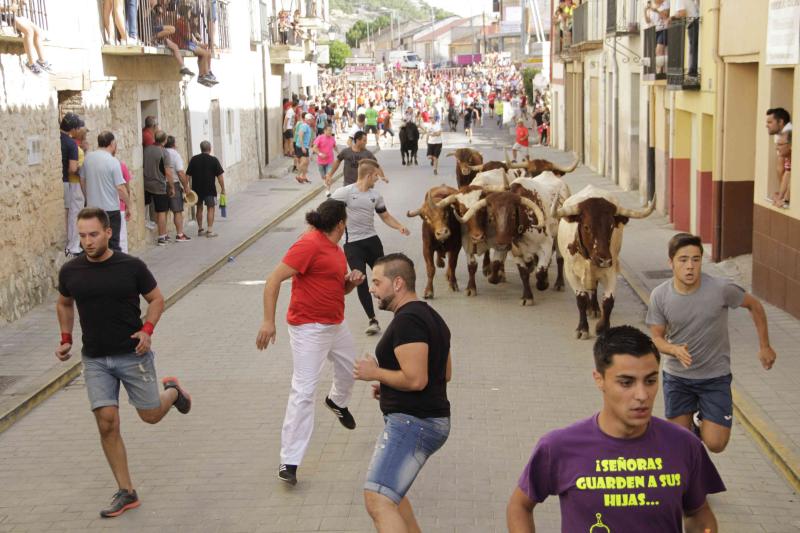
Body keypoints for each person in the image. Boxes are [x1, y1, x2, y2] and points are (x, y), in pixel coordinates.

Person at [507, 325, 725, 533]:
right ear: (599, 379)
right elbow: (520, 506)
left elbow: (698, 513)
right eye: (626, 383)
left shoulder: (684, 444)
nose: (642, 395)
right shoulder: (559, 446)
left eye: (650, 381)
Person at [55, 207, 191, 518]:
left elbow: (157, 298)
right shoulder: (71, 271)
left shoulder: (131, 267)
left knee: (151, 415)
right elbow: (64, 302)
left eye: (93, 234)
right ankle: (126, 490)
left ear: (107, 233)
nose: (87, 241)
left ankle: (172, 392)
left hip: (133, 354)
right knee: (107, 422)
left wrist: (147, 330)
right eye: (82, 235)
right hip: (95, 359)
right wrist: (65, 338)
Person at [255, 199, 365, 486]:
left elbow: (339, 287)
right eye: (346, 221)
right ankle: (289, 460)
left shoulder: (336, 249)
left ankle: (336, 401)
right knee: (303, 391)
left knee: (350, 369)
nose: (347, 226)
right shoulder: (309, 244)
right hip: (309, 329)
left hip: (335, 324)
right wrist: (268, 321)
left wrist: (351, 281)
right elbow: (273, 279)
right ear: (340, 223)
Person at [646, 233, 776, 453]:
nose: (690, 266)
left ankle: (700, 424)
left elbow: (755, 306)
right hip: (678, 378)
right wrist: (673, 349)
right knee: (680, 443)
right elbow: (656, 338)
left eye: (696, 260)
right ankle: (689, 483)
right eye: (683, 260)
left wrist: (764, 346)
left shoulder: (720, 288)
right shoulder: (660, 295)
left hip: (714, 378)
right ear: (671, 262)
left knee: (716, 444)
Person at [353, 253, 452, 532]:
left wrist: (375, 373)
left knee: (377, 499)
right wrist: (387, 386)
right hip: (424, 419)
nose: (371, 289)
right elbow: (443, 374)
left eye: (376, 282)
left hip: (414, 423)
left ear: (397, 283)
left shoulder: (408, 321)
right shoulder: (432, 316)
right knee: (393, 496)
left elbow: (417, 379)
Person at [331, 160, 410, 335]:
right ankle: (372, 320)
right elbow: (327, 210)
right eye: (376, 175)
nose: (378, 178)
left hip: (372, 242)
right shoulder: (344, 193)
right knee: (360, 280)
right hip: (353, 245)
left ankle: (399, 313)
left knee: (385, 277)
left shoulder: (376, 195)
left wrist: (399, 226)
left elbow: (385, 216)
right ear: (369, 175)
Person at [80, 131, 132, 252]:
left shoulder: (88, 158)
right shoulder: (113, 161)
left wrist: (87, 197)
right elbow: (120, 188)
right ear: (112, 144)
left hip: (93, 209)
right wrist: (129, 205)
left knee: (95, 242)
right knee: (113, 243)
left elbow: (82, 181)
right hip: (111, 210)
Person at [1, 0, 53, 74]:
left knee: (37, 31)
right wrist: (10, 8)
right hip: (3, 15)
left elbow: (17, 4)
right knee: (28, 31)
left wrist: (19, 2)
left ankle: (42, 61)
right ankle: (31, 63)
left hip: (11, 13)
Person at [186, 140, 225, 238]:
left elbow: (187, 175)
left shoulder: (194, 159)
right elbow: (220, 176)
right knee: (210, 208)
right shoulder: (214, 160)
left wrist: (186, 187)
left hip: (196, 189)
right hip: (210, 189)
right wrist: (223, 188)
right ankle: (210, 231)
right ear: (210, 149)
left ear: (201, 149)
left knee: (199, 208)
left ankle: (200, 229)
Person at [143, 131, 175, 246]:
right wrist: (171, 187)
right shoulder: (164, 152)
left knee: (149, 208)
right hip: (159, 184)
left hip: (146, 184)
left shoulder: (146, 149)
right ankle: (162, 236)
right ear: (165, 140)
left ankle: (162, 233)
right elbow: (168, 172)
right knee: (161, 211)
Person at [175, 4, 218, 86]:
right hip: (185, 44)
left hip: (189, 43)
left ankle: (207, 72)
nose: (190, 14)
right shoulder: (181, 22)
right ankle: (203, 75)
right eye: (189, 12)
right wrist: (198, 42)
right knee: (204, 53)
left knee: (207, 52)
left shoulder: (185, 22)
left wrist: (200, 44)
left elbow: (191, 37)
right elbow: (188, 37)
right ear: (185, 12)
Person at [149, 0, 194, 77]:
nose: (160, 14)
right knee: (172, 29)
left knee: (175, 47)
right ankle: (152, 38)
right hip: (152, 31)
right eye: (159, 13)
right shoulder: (151, 12)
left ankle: (183, 67)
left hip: (160, 36)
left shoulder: (161, 16)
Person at [61, 113, 84, 257]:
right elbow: (73, 168)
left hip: (61, 180)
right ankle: (73, 246)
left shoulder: (56, 138)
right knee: (74, 214)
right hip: (70, 182)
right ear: (73, 129)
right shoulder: (71, 144)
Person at [164, 136, 191, 241]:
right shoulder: (175, 155)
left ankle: (163, 235)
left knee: (163, 211)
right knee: (177, 210)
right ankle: (180, 234)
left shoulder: (161, 152)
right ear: (174, 144)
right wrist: (186, 186)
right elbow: (180, 172)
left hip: (161, 184)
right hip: (174, 183)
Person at [312, 124, 337, 196]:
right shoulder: (319, 138)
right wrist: (320, 154)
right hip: (321, 161)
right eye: (329, 130)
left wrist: (339, 153)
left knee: (328, 176)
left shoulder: (332, 138)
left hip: (330, 161)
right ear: (324, 131)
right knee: (323, 177)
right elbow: (314, 148)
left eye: (331, 130)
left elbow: (334, 146)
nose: (330, 132)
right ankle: (325, 181)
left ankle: (328, 191)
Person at [773, 130, 792, 208]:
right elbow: (787, 174)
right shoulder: (788, 156)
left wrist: (786, 200)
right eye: (777, 144)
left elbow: (794, 179)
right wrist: (780, 198)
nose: (776, 148)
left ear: (791, 145)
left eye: (780, 145)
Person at [294, 113, 313, 183]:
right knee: (304, 162)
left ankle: (304, 176)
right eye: (311, 119)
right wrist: (302, 147)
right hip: (301, 146)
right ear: (307, 120)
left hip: (305, 146)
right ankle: (298, 175)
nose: (312, 121)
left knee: (307, 162)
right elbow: (300, 135)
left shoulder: (306, 126)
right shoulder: (304, 126)